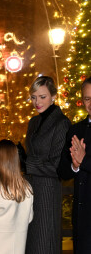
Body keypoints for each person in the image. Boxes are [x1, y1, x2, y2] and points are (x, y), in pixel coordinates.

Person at [24, 76, 71, 254]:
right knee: (31, 245)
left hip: (48, 193)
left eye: (42, 97)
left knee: (44, 244)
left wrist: (27, 163)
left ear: (53, 96)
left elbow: (57, 166)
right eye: (34, 97)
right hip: (30, 192)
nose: (37, 102)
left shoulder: (62, 123)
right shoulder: (33, 122)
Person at [58, 76, 91, 254]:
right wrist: (75, 165)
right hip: (82, 219)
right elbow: (63, 171)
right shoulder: (75, 130)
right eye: (87, 98)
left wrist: (84, 160)